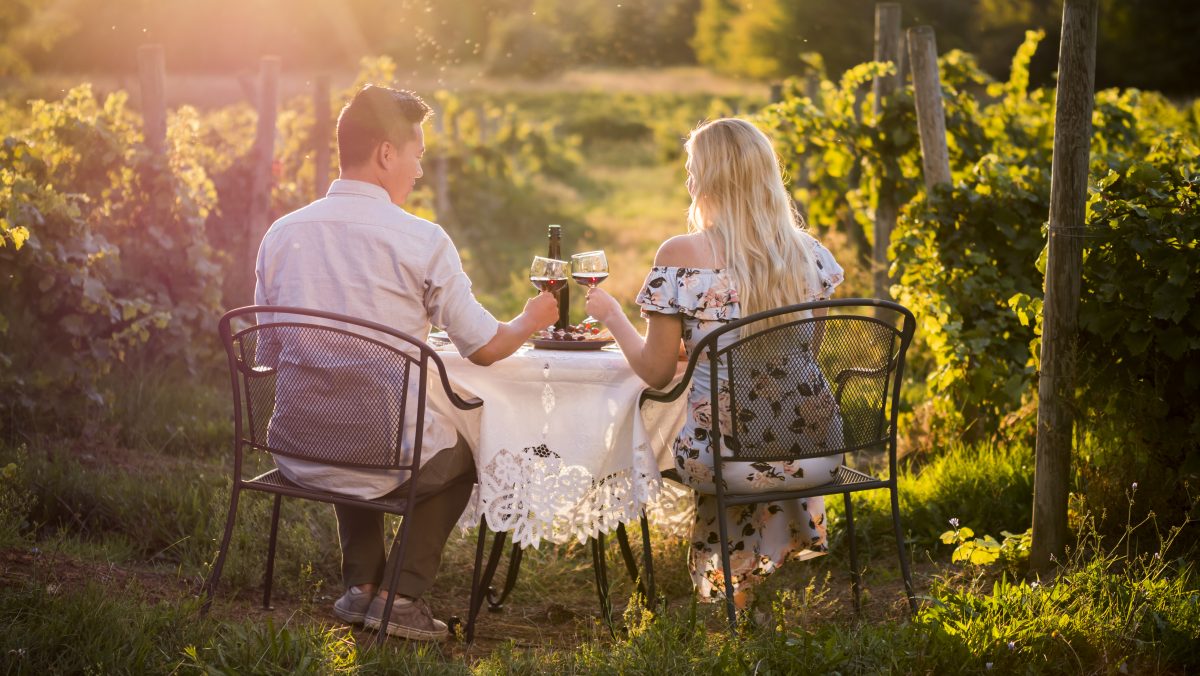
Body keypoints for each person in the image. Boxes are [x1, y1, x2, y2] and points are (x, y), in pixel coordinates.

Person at [254, 85, 558, 640]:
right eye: (417, 155)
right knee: (463, 454)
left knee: (357, 411)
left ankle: (362, 587)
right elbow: (485, 347)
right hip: (377, 452)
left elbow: (269, 353)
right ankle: (400, 595)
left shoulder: (281, 233)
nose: (419, 170)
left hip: (298, 446)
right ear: (387, 154)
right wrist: (532, 319)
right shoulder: (422, 240)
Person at [584, 118, 845, 610]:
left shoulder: (682, 255)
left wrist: (612, 315)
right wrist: (707, 351)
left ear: (708, 179)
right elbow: (798, 355)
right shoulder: (811, 253)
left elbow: (657, 373)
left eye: (692, 169)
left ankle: (734, 587)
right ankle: (743, 584)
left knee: (716, 435)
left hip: (726, 461)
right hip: (818, 452)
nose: (687, 180)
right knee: (758, 426)